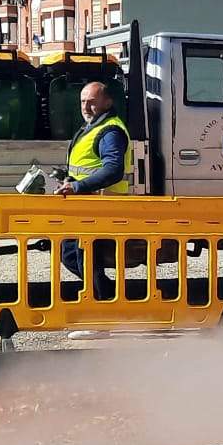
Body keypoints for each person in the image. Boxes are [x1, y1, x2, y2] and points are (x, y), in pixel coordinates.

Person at [57, 81, 129, 300]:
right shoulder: (93, 126)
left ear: (108, 102)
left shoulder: (110, 131)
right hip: (84, 204)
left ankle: (103, 305)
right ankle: (109, 296)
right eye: (83, 102)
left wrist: (78, 186)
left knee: (86, 258)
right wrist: (68, 178)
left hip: (99, 205)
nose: (86, 107)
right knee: (71, 254)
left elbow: (113, 170)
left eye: (92, 102)